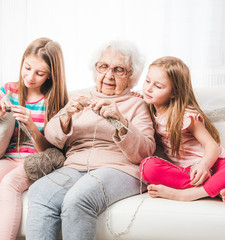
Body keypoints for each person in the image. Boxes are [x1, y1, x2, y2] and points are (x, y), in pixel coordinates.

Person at [26, 40, 156, 240]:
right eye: (103, 67)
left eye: (119, 69)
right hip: (75, 166)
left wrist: (120, 121)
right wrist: (66, 114)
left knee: (78, 199)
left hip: (119, 169)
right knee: (40, 192)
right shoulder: (79, 98)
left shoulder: (137, 104)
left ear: (131, 75)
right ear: (96, 68)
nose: (109, 75)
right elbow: (51, 139)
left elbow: (145, 152)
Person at [0, 37, 68, 240]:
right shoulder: (9, 91)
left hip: (35, 161)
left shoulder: (54, 102)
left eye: (40, 73)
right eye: (27, 68)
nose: (30, 77)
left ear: (51, 75)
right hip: (9, 158)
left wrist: (31, 126)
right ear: (22, 61)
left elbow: (52, 152)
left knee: (9, 185)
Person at [140, 56, 225, 206]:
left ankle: (189, 194)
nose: (148, 88)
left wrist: (204, 165)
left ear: (174, 93)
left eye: (158, 86)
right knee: (147, 167)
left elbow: (212, 146)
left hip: (214, 165)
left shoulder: (185, 116)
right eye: (147, 81)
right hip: (187, 173)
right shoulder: (147, 108)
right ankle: (220, 188)